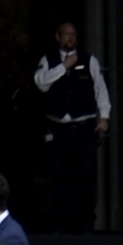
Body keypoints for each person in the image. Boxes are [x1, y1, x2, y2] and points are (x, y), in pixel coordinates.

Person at [34, 25, 110, 230]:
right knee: (60, 177)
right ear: (57, 37)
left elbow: (101, 90)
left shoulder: (89, 60)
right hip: (58, 130)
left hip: (84, 129)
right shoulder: (48, 60)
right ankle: (62, 225)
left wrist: (104, 117)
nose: (70, 38)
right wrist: (64, 66)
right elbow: (41, 83)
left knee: (86, 176)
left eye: (73, 34)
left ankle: (86, 224)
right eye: (66, 34)